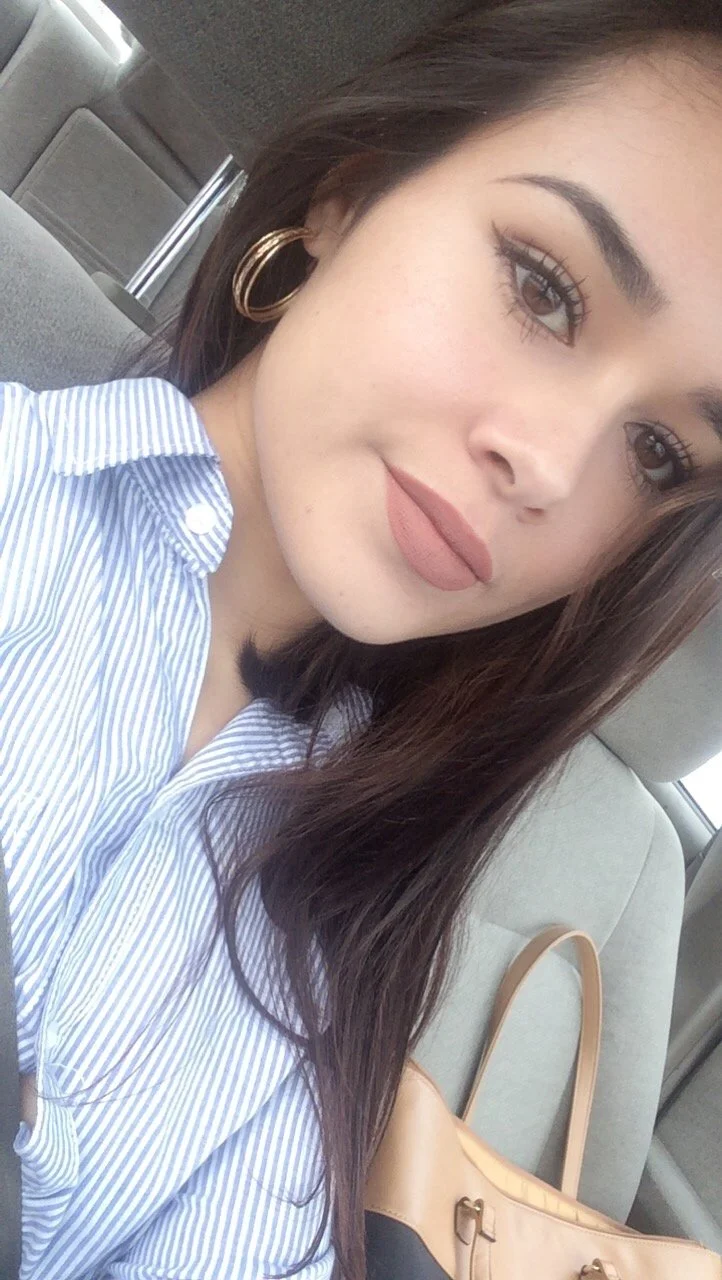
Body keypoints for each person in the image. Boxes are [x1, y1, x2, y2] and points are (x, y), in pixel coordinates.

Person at [3, 0, 722, 1275]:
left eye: (659, 454)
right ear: (345, 196)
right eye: (542, 288)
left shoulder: (363, 915)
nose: (549, 465)